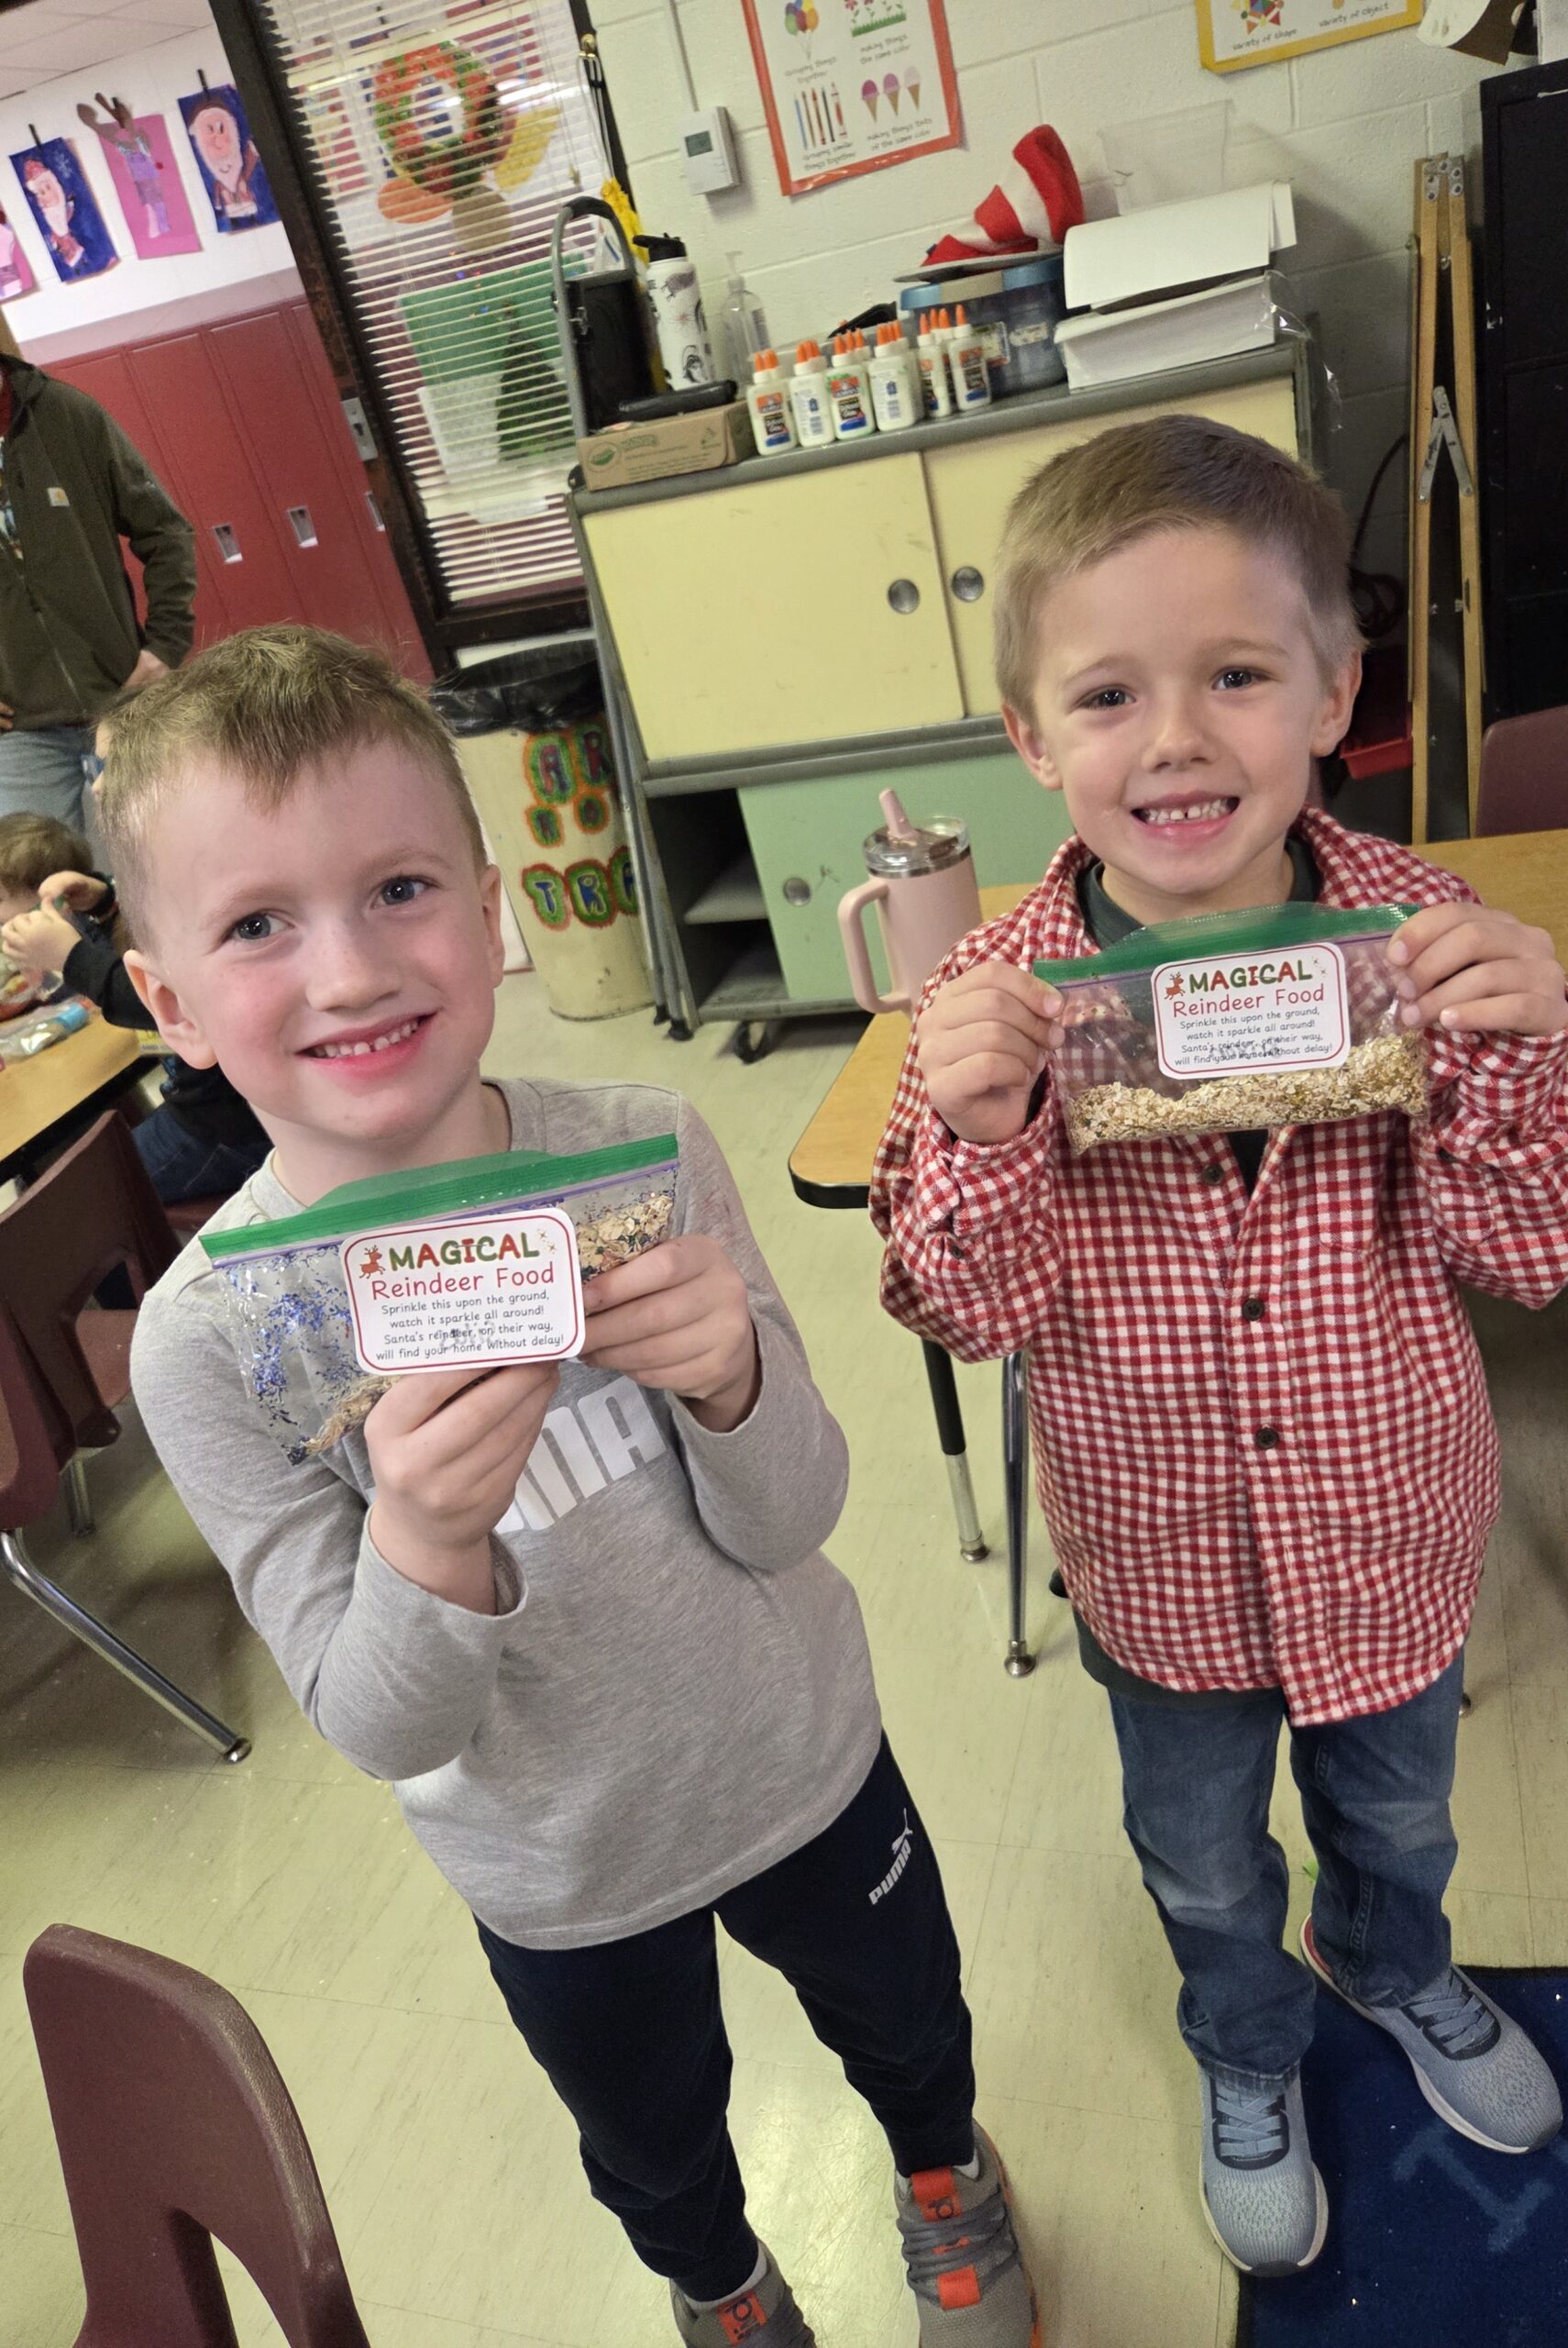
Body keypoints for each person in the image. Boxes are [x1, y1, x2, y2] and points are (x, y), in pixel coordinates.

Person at [115, 626, 1039, 2348]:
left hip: (798, 1753)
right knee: (651, 2143)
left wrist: (735, 1378)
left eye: (399, 888)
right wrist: (426, 1536)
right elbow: (383, 1726)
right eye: (256, 924)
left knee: (911, 2027)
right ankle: (727, 2293)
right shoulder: (209, 1343)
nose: (348, 970)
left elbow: (796, 1516)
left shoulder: (649, 1149)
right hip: (553, 1861)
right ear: (168, 999)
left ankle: (944, 2185)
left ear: (487, 909)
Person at [872, 414, 1568, 2279]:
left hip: (1385, 1528)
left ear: (1334, 691)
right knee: (1204, 1862)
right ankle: (1247, 2046)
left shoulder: (1429, 937)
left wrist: (1516, 1045)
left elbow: (1529, 1254)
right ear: (1033, 740)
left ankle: (1398, 1966)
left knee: (1404, 1813)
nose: (1180, 739)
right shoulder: (995, 1001)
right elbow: (960, 1307)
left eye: (1235, 674)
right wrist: (970, 1125)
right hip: (1164, 1564)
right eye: (1108, 694)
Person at [0, 809, 267, 1206]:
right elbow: (144, 965)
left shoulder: (203, 889)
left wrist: (71, 957)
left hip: (224, 1127)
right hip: (225, 1112)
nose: (95, 783)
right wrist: (106, 905)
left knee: (62, 1206)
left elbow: (163, 997)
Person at [0, 344, 194, 834]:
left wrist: (165, 646)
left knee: (173, 851)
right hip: (20, 735)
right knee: (34, 888)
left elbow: (165, 532)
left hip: (124, 699)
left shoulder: (67, 414)